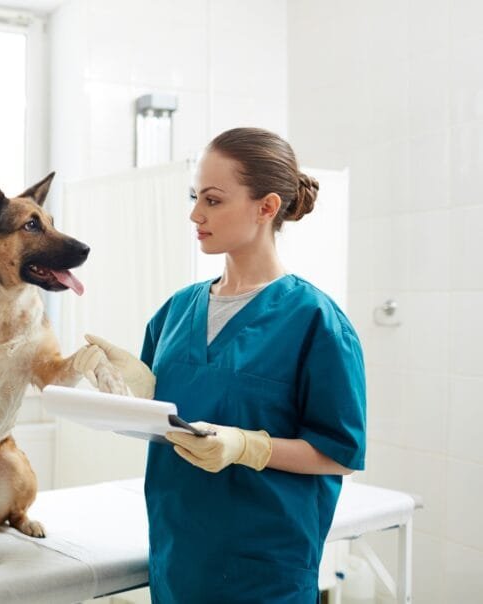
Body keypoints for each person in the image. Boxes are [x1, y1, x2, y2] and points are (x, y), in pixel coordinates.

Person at [76, 127, 366, 603]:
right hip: (178, 559)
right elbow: (168, 421)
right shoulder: (177, 310)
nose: (195, 214)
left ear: (266, 207)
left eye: (212, 200)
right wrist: (137, 394)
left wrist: (248, 446)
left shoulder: (315, 320)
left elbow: (340, 453)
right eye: (194, 197)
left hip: (263, 573)